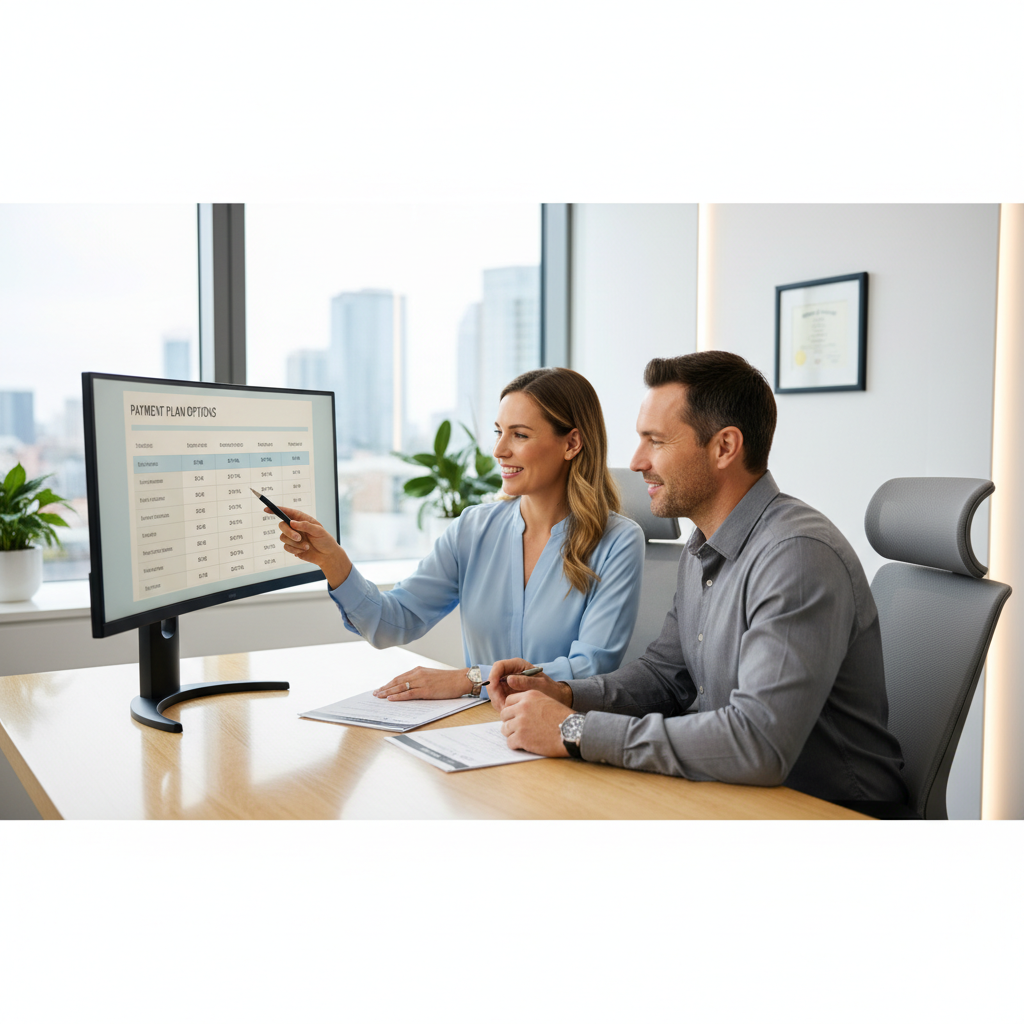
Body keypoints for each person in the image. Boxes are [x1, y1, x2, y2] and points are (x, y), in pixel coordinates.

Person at [490, 351, 909, 809]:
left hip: (826, 815)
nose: (635, 461)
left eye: (656, 441)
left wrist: (574, 729)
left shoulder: (797, 556)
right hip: (732, 798)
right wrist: (565, 693)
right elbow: (667, 677)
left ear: (724, 447)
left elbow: (758, 743)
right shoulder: (703, 546)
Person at [273, 367, 645, 702]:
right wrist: (332, 560)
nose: (500, 450)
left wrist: (471, 680)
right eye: (499, 432)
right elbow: (393, 622)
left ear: (571, 444)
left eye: (519, 435)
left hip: (561, 738)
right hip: (480, 733)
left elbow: (590, 667)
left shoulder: (618, 542)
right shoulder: (473, 528)